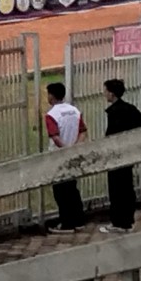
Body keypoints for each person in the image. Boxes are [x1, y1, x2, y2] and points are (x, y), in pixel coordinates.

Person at [101, 78, 141, 233]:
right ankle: (127, 220)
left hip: (117, 156)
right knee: (127, 187)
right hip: (128, 154)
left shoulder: (115, 112)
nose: (104, 94)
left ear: (111, 93)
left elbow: (112, 135)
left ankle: (118, 222)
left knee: (116, 189)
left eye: (106, 91)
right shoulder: (129, 108)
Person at [44, 82, 87, 233]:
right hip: (73, 153)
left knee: (60, 191)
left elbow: (55, 137)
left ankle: (67, 223)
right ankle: (79, 220)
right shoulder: (74, 110)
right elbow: (83, 131)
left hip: (59, 155)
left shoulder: (51, 115)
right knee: (72, 188)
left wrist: (65, 149)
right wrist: (75, 147)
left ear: (51, 96)